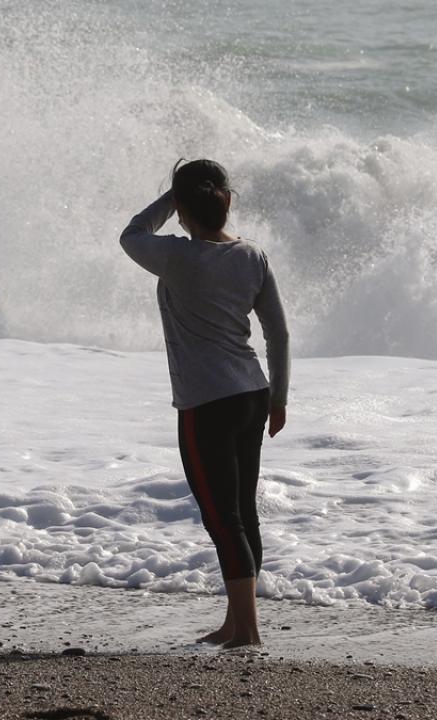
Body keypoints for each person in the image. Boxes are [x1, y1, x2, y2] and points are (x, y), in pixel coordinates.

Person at [119, 159, 289, 649]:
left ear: (180, 209)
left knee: (222, 517)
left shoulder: (176, 256)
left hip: (205, 403)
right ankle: (237, 622)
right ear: (228, 201)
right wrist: (278, 397)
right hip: (252, 394)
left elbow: (131, 234)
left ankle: (248, 630)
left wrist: (170, 200)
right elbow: (277, 333)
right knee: (242, 513)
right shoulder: (253, 256)